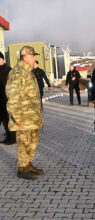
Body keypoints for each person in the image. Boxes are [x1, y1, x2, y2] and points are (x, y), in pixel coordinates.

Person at [6, 46, 44, 180]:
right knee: (24, 142)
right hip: (23, 117)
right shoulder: (18, 72)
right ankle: (22, 169)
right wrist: (17, 117)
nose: (35, 58)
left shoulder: (28, 71)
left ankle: (28, 164)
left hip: (32, 117)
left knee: (33, 141)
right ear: (25, 57)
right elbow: (13, 97)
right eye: (33, 56)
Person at [0, 51, 16, 145]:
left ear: (2, 59)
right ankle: (7, 136)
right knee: (4, 119)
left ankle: (13, 138)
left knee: (9, 119)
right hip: (0, 99)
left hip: (7, 98)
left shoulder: (8, 70)